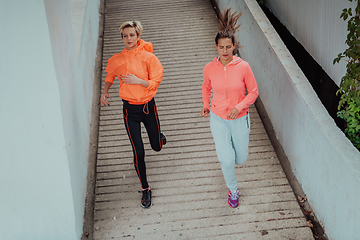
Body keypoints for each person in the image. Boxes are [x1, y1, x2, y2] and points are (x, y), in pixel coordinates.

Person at [100, 20, 166, 208]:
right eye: (125, 35)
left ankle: (159, 138)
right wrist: (105, 92)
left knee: (156, 147)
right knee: (138, 151)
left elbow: (155, 81)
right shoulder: (117, 59)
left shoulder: (149, 58)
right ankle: (145, 189)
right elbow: (110, 76)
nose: (128, 38)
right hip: (130, 111)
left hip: (148, 108)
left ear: (138, 36)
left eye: (132, 35)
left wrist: (139, 81)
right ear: (122, 38)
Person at [200, 9, 259, 208]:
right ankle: (233, 190)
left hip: (240, 118)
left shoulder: (244, 67)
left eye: (228, 47)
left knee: (240, 159)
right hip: (218, 118)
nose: (225, 51)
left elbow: (253, 92)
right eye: (221, 47)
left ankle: (232, 153)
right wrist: (205, 105)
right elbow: (206, 86)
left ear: (234, 46)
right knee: (226, 159)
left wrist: (239, 106)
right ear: (216, 47)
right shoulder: (209, 68)